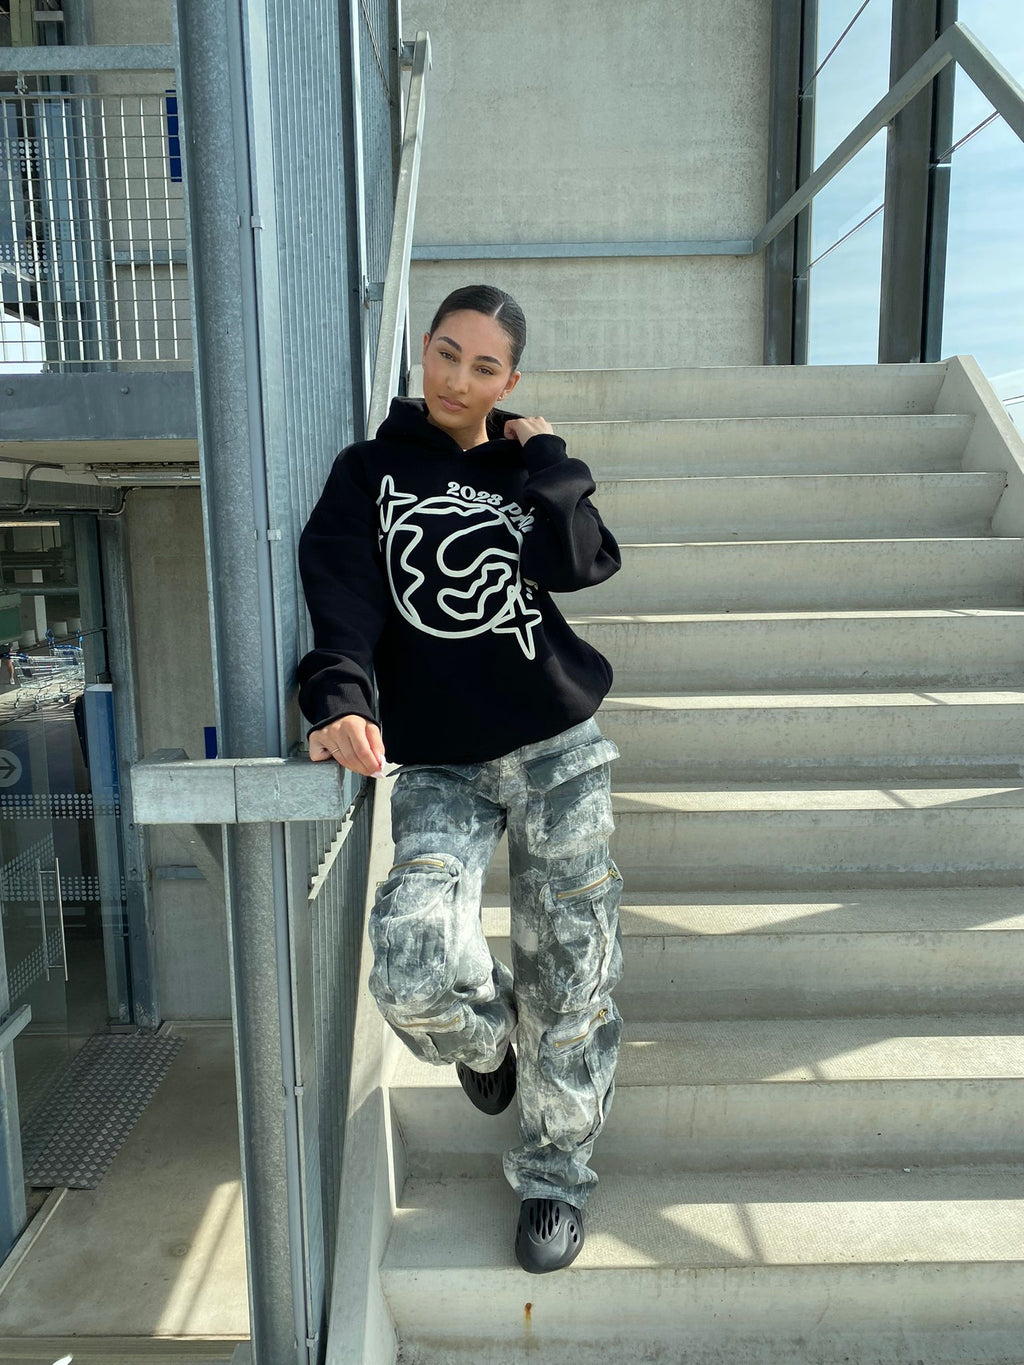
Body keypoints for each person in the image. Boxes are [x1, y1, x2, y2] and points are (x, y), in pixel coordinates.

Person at [297, 284, 623, 1274]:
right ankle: (488, 1045)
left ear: (509, 381)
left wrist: (549, 458)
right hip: (440, 759)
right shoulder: (368, 472)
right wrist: (338, 697)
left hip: (558, 747)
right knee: (411, 959)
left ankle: (556, 1175)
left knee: (570, 973)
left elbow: (580, 563)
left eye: (485, 367)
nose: (458, 379)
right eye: (447, 353)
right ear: (424, 350)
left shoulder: (525, 469)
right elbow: (342, 595)